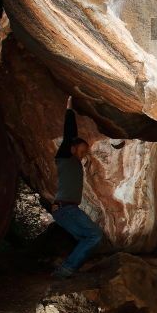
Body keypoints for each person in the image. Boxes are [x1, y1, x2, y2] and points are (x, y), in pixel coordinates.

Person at [50, 96, 103, 279]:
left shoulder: (74, 161)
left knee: (85, 238)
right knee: (94, 236)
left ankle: (68, 269)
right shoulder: (65, 157)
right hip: (66, 209)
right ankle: (66, 269)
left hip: (66, 209)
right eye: (81, 150)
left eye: (85, 153)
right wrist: (69, 110)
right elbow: (69, 133)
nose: (83, 155)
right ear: (72, 148)